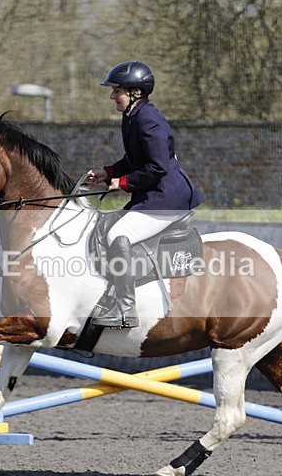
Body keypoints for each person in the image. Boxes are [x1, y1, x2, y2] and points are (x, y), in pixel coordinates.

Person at [86, 60, 203, 328]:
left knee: (119, 234)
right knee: (105, 227)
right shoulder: (133, 116)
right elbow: (134, 158)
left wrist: (124, 183)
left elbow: (157, 167)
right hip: (153, 195)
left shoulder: (147, 119)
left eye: (117, 90)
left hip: (167, 198)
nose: (112, 95)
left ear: (135, 92)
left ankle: (126, 309)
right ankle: (111, 294)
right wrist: (107, 172)